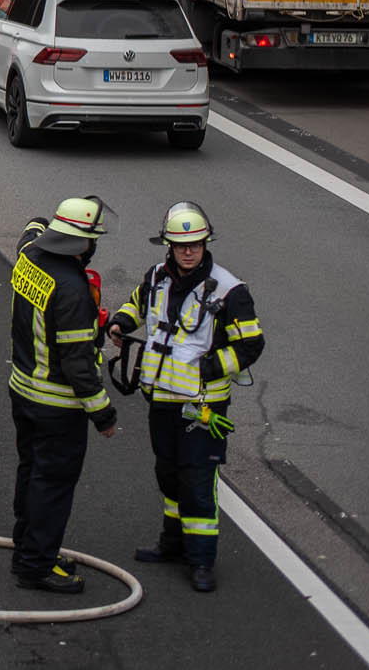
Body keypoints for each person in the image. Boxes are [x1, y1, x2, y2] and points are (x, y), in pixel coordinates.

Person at [107, 202, 264, 593]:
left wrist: (211, 367)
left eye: (195, 244)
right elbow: (137, 303)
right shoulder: (157, 276)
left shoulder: (231, 291)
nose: (189, 251)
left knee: (196, 482)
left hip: (203, 405)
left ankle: (201, 561)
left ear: (205, 243)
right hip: (161, 398)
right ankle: (172, 545)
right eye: (181, 245)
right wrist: (121, 322)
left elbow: (251, 344)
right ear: (169, 247)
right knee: (168, 473)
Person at [9, 197, 120, 594]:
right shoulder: (72, 290)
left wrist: (45, 221)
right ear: (84, 243)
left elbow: (30, 230)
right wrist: (103, 414)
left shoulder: (28, 257)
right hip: (56, 404)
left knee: (31, 471)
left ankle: (27, 546)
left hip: (22, 390)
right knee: (52, 483)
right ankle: (36, 566)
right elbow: (77, 365)